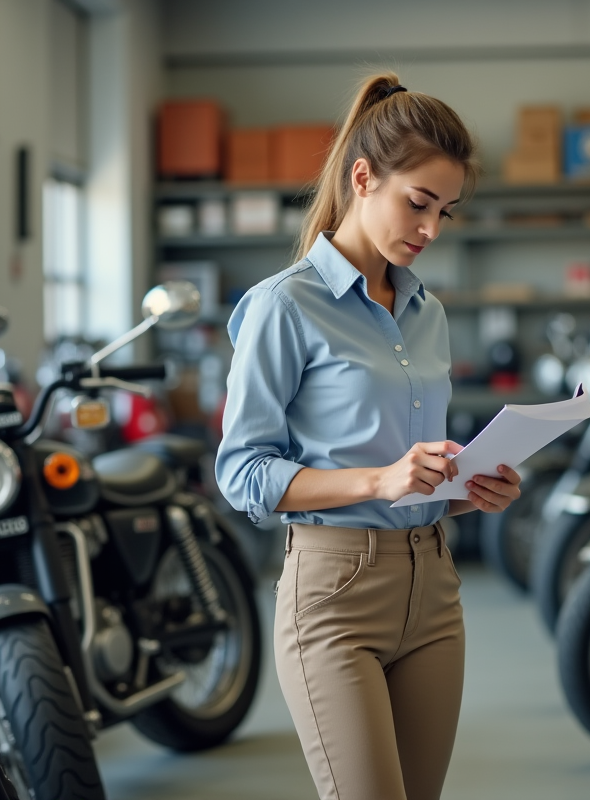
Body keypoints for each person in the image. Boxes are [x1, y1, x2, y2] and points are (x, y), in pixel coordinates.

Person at [215, 73, 521, 800]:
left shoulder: (429, 313)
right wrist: (381, 480)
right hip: (334, 594)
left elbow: (417, 475)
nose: (431, 230)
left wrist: (470, 488)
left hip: (435, 590)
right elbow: (243, 474)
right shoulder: (283, 307)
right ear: (363, 177)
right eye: (418, 203)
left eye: (446, 212)